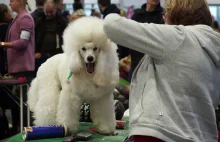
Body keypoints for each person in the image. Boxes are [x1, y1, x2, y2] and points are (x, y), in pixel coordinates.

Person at [103, 0, 220, 141]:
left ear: (175, 14)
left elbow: (111, 24)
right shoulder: (212, 45)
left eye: (166, 14)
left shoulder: (178, 37)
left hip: (162, 135)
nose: (164, 18)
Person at [128, 0, 164, 82]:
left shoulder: (163, 16)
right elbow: (130, 37)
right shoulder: (137, 15)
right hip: (136, 64)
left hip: (155, 67)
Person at [35, 0, 67, 73]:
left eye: (51, 12)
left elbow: (66, 38)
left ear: (55, 9)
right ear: (44, 10)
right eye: (47, 12)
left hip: (57, 54)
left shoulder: (62, 21)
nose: (49, 14)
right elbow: (36, 38)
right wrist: (36, 51)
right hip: (42, 55)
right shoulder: (39, 21)